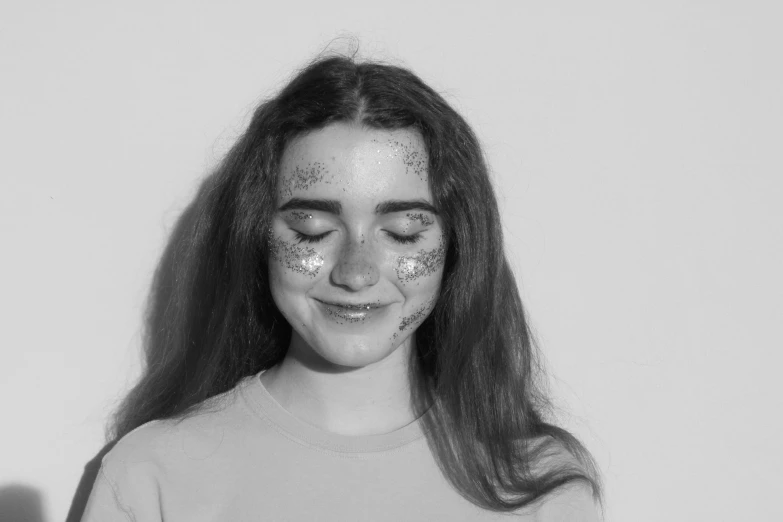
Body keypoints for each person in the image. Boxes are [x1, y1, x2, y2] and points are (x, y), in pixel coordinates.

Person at [81, 54, 603, 521]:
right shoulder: (151, 475)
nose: (356, 272)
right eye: (313, 230)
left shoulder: (536, 484)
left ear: (457, 246)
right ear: (257, 236)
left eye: (402, 233)